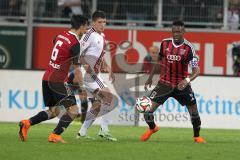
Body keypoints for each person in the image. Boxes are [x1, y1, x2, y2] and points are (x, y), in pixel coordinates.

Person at [18, 15, 88, 143]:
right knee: (73, 110)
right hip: (58, 81)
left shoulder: (59, 36)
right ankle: (55, 135)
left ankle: (27, 123)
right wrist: (82, 88)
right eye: (86, 26)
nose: (86, 29)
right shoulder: (75, 43)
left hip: (47, 78)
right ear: (82, 25)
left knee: (54, 111)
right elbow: (77, 70)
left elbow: (57, 47)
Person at [141, 20, 206, 144]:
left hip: (181, 85)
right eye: (174, 31)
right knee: (147, 110)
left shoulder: (189, 48)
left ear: (183, 32)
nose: (176, 34)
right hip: (164, 83)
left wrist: (187, 80)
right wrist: (150, 78)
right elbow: (159, 61)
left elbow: (196, 70)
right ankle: (152, 128)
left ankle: (196, 136)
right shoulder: (164, 43)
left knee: (194, 112)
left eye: (179, 32)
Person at [76, 10, 117, 141]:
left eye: (104, 22)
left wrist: (108, 67)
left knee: (98, 105)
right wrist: (86, 65)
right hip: (89, 75)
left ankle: (82, 133)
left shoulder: (102, 36)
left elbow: (100, 55)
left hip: (96, 74)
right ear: (93, 22)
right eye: (99, 22)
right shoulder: (88, 35)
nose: (102, 24)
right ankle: (104, 130)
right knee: (108, 96)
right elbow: (78, 53)